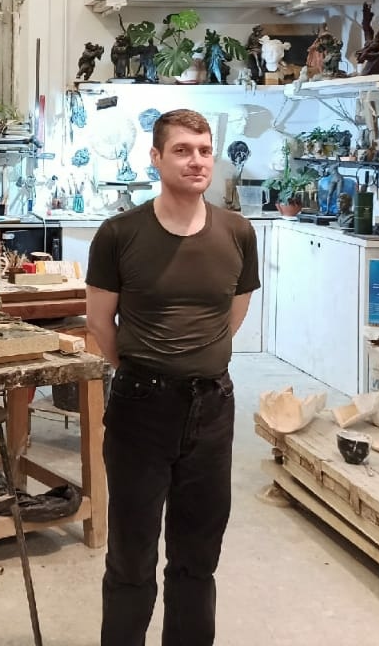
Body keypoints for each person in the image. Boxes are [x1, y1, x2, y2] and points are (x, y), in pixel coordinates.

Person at [85, 109, 260, 646]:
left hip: (212, 410)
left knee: (197, 558)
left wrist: (198, 361)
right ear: (156, 158)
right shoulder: (119, 234)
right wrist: (145, 371)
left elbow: (233, 313)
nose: (196, 161)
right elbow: (100, 323)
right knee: (131, 557)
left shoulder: (237, 232)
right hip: (141, 410)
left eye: (204, 150)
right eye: (182, 150)